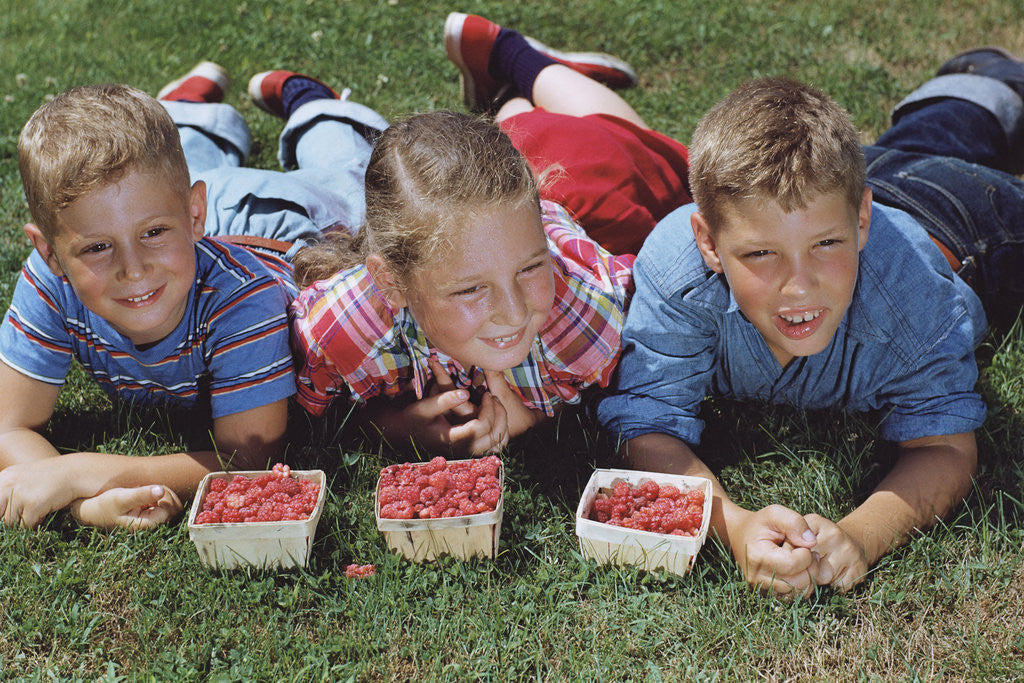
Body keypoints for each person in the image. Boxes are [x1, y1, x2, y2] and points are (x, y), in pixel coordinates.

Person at [597, 48, 1024, 596]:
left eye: (826, 247)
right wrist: (735, 523)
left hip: (962, 225)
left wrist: (861, 536)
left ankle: (988, 83)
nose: (798, 285)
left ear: (861, 221)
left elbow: (944, 446)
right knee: (917, 144)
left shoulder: (908, 296)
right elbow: (646, 421)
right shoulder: (679, 272)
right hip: (827, 195)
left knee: (949, 159)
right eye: (759, 256)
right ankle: (977, 78)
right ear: (707, 243)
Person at [0, 63, 385, 530]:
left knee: (353, 184)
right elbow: (8, 425)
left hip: (280, 225)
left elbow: (251, 457)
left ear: (193, 214)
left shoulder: (245, 303)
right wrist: (82, 503)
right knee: (158, 175)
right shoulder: (51, 280)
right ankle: (190, 110)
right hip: (187, 215)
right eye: (97, 247)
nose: (133, 268)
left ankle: (316, 107)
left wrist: (85, 470)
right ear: (50, 250)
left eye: (152, 233)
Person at [287, 13, 691, 457]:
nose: (514, 311)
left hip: (583, 188)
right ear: (391, 283)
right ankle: (506, 95)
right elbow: (305, 418)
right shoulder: (339, 330)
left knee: (663, 158)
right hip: (494, 200)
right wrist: (390, 427)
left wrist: (534, 413)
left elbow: (646, 384)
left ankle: (519, 59)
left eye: (532, 268)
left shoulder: (592, 317)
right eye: (471, 289)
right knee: (520, 117)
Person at [444, 11, 692, 255]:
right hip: (567, 175)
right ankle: (511, 66)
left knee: (614, 147)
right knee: (533, 125)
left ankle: (512, 66)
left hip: (578, 183)